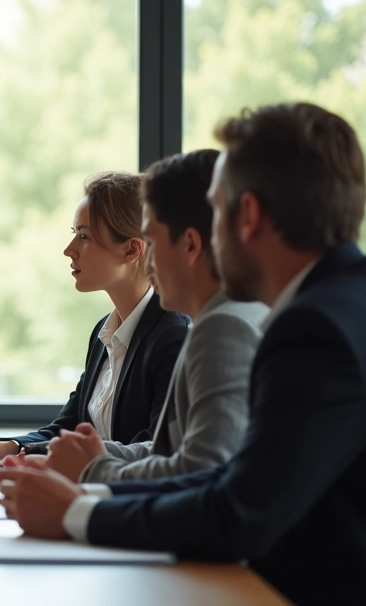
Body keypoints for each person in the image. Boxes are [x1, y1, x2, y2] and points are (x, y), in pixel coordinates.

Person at [0, 102, 366, 605]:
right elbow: (228, 478)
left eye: (217, 212)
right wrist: (87, 492)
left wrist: (76, 511)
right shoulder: (356, 299)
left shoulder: (313, 331)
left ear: (248, 217)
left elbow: (236, 513)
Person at [40, 150, 267, 483]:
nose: (146, 261)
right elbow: (168, 451)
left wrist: (90, 481)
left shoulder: (221, 327)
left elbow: (200, 472)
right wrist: (83, 456)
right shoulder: (216, 321)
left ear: (190, 245)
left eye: (152, 241)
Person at [0, 172, 189, 467]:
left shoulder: (173, 336)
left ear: (131, 250)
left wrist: (31, 456)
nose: (68, 249)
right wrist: (5, 448)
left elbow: (155, 449)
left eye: (84, 236)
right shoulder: (103, 333)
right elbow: (69, 427)